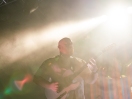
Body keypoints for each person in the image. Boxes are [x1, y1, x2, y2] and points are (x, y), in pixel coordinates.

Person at [33, 37, 98, 99]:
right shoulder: (51, 62)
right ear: (59, 47)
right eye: (67, 44)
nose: (70, 46)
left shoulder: (79, 62)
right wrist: (49, 86)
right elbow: (36, 78)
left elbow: (91, 80)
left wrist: (94, 70)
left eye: (71, 44)